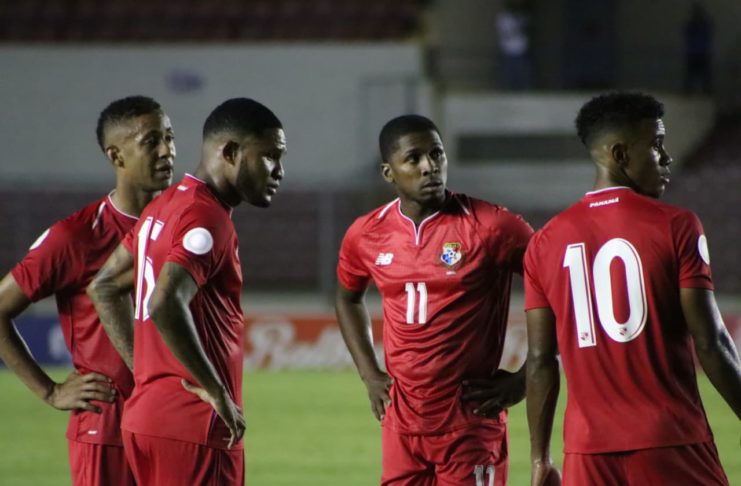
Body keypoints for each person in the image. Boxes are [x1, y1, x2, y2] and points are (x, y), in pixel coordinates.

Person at [525, 92, 741, 486]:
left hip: (586, 453)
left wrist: (540, 459)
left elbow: (540, 360)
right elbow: (711, 343)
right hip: (670, 441)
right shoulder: (677, 225)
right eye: (656, 145)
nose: (667, 158)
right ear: (620, 155)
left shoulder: (543, 242)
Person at [88, 98, 286, 486]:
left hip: (146, 420)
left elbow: (104, 285)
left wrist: (146, 374)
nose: (278, 171)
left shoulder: (163, 205)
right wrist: (218, 392)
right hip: (194, 425)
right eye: (270, 156)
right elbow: (165, 301)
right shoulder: (207, 216)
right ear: (231, 152)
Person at [335, 114, 533, 485]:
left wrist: (526, 376)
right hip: (402, 425)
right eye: (413, 158)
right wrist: (369, 373)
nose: (429, 166)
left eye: (436, 154)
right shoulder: (365, 234)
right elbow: (348, 298)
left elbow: (561, 291)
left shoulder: (492, 227)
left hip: (470, 424)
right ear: (389, 173)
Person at [0, 95, 175, 485]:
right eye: (151, 141)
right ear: (116, 155)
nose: (167, 151)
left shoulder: (184, 224)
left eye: (170, 137)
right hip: (108, 428)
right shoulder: (76, 237)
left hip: (175, 420)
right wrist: (50, 391)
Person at [684, 1, 714, 95]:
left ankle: (705, 91)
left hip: (700, 53)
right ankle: (690, 91)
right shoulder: (693, 25)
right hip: (696, 53)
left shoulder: (703, 26)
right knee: (693, 76)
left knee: (703, 76)